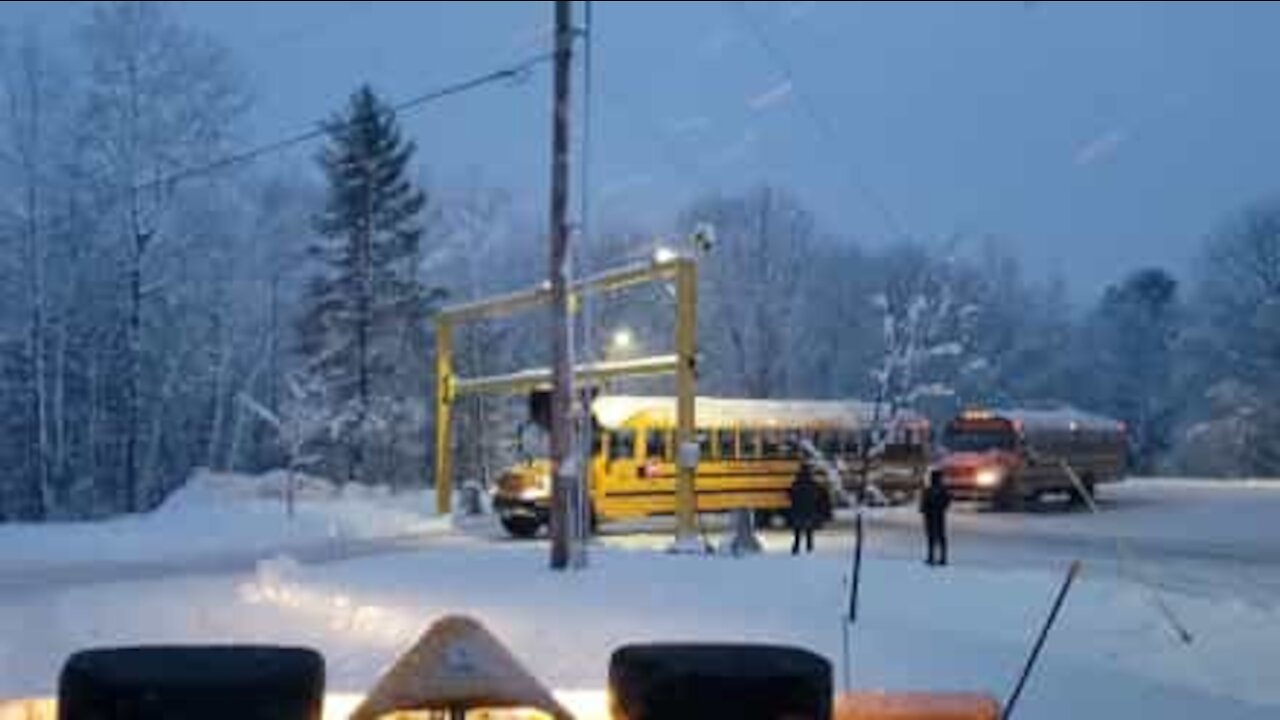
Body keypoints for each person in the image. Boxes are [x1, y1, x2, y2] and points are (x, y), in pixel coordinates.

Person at [920, 469, 952, 566]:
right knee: (938, 536)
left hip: (934, 515)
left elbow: (924, 503)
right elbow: (947, 501)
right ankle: (938, 558)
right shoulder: (940, 489)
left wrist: (925, 509)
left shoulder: (931, 489)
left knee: (934, 537)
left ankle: (935, 557)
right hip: (936, 515)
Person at [789, 462, 820, 555]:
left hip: (797, 510)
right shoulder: (813, 484)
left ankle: (796, 548)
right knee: (809, 531)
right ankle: (809, 547)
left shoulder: (795, 483)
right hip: (809, 510)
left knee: (797, 532)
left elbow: (791, 496)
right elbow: (816, 496)